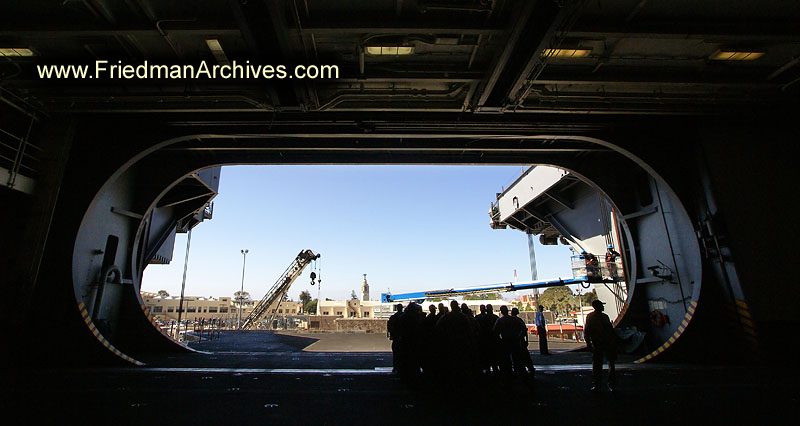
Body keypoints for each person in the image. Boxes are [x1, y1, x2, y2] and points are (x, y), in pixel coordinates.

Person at [584, 300, 617, 392]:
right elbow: (610, 330)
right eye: (601, 305)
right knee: (610, 364)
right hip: (606, 343)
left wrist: (588, 344)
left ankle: (597, 384)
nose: (603, 307)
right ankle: (611, 384)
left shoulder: (590, 317)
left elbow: (586, 331)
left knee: (597, 365)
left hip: (597, 343)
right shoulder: (605, 317)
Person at [492, 305, 517, 380]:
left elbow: (495, 331)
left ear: (501, 312)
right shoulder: (514, 320)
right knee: (515, 357)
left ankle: (507, 373)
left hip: (505, 340)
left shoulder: (500, 320)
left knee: (505, 357)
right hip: (514, 340)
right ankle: (515, 371)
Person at [510, 308, 535, 377]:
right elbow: (524, 330)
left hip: (513, 340)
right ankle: (530, 368)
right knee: (525, 356)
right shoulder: (519, 320)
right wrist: (526, 340)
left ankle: (516, 369)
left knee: (515, 356)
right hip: (520, 340)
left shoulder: (510, 320)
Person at [387, 303, 404, 373]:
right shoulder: (404, 317)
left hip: (396, 338)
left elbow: (389, 326)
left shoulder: (393, 317)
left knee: (396, 354)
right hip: (403, 338)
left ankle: (395, 367)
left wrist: (392, 334)